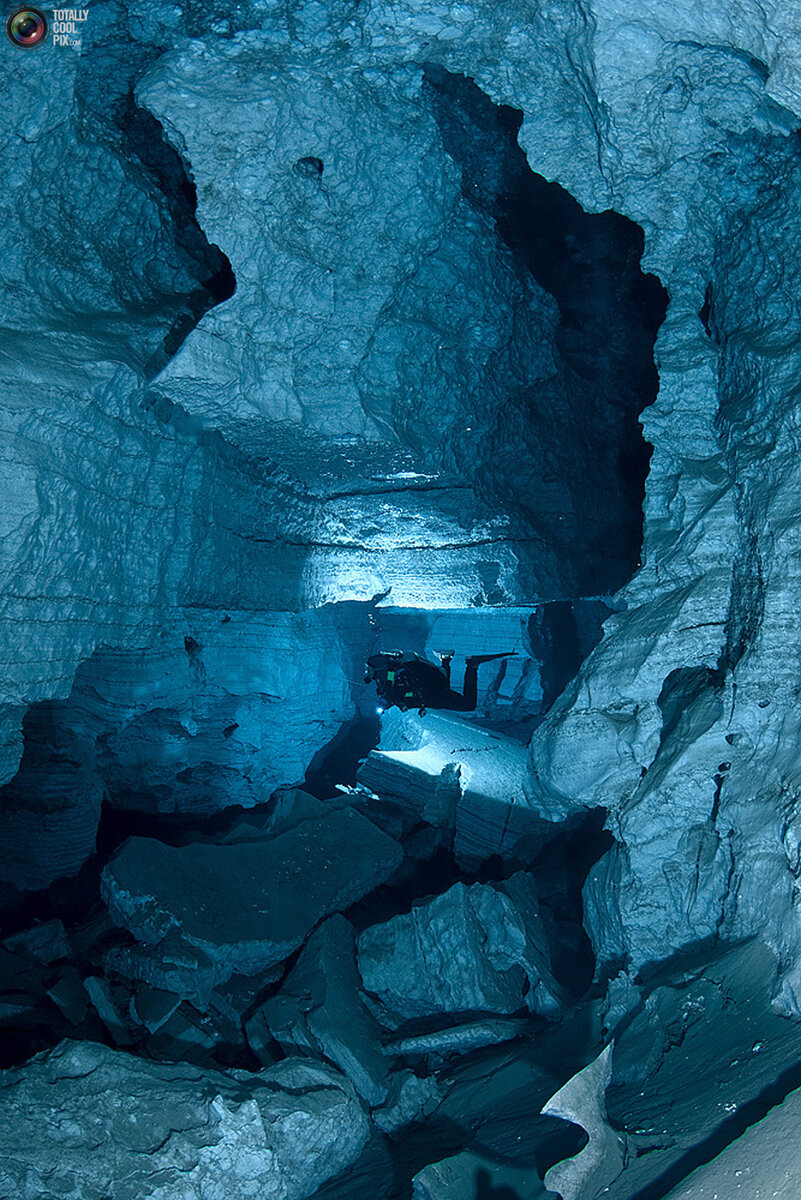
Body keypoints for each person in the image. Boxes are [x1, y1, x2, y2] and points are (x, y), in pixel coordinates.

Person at [365, 649, 514, 715]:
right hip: (430, 691)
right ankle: (445, 659)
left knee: (468, 705)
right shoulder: (389, 680)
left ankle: (472, 665)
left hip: (430, 696)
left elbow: (394, 691)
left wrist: (392, 700)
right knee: (443, 685)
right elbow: (395, 689)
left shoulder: (390, 684)